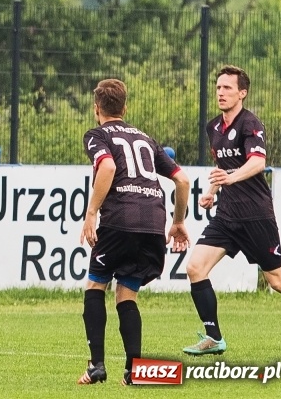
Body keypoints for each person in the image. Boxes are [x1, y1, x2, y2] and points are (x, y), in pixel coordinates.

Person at [78, 79, 190, 385]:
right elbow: (182, 181)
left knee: (95, 287)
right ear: (125, 108)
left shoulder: (97, 135)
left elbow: (108, 168)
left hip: (120, 220)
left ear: (96, 108)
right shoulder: (145, 138)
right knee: (126, 295)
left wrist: (90, 214)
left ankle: (96, 367)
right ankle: (135, 371)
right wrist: (178, 221)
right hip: (153, 223)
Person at [183, 65, 281, 355]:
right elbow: (223, 167)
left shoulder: (250, 124)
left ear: (242, 93)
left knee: (280, 282)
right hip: (227, 216)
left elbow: (258, 162)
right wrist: (211, 192)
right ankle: (214, 337)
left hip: (256, 215)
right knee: (195, 267)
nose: (221, 93)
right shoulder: (213, 128)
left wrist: (231, 178)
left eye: (228, 88)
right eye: (218, 87)